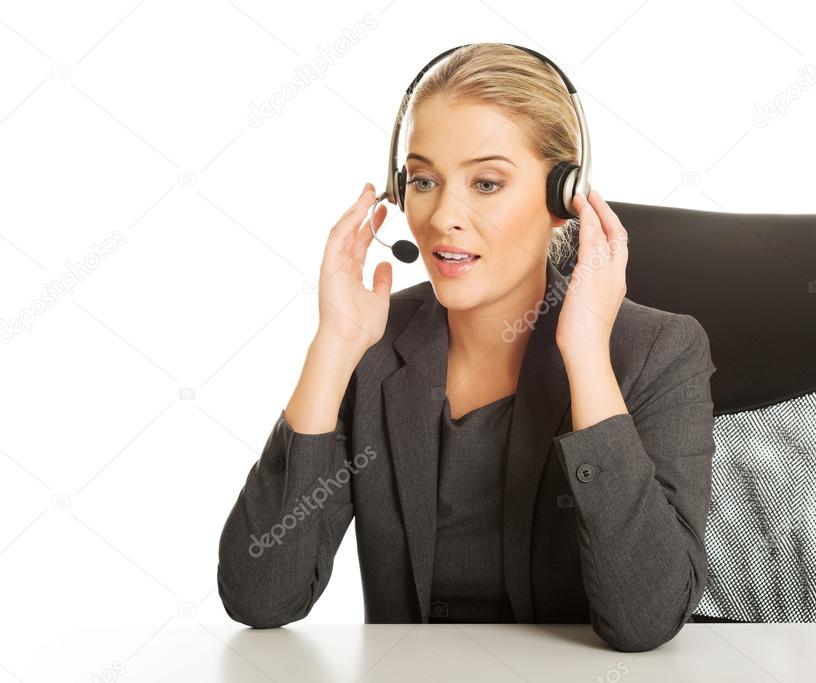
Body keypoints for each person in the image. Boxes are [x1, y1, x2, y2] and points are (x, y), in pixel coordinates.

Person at [217, 43, 716, 653]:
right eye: (424, 181)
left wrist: (586, 356)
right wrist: (333, 349)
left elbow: (646, 622)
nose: (443, 216)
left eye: (486, 183)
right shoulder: (373, 344)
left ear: (565, 200)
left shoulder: (658, 350)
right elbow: (260, 595)